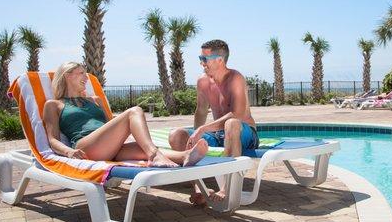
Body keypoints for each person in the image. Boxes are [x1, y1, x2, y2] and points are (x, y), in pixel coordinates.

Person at [43, 62, 208, 167]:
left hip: (110, 148)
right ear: (67, 75)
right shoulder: (54, 105)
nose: (86, 77)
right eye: (81, 73)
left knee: (143, 147)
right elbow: (53, 139)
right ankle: (154, 155)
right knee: (134, 111)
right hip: (86, 148)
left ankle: (185, 155)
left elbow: (109, 126)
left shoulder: (95, 100)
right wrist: (68, 152)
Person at [168, 39, 258, 204]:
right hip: (219, 134)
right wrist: (194, 137)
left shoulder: (235, 78)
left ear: (220, 60)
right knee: (176, 135)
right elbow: (201, 111)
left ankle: (227, 188)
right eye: (200, 58)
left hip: (244, 133)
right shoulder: (203, 81)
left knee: (231, 124)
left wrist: (203, 129)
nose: (202, 63)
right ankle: (198, 188)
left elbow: (237, 114)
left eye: (205, 59)